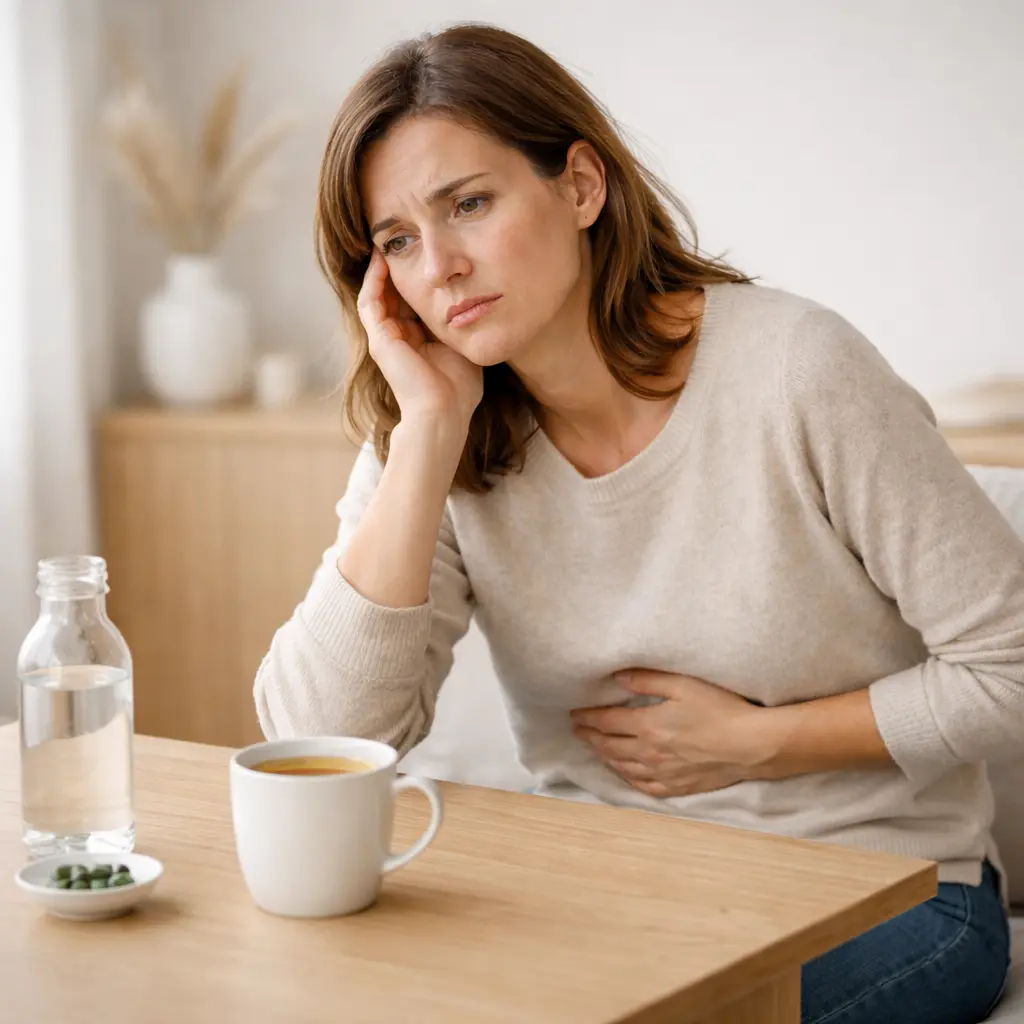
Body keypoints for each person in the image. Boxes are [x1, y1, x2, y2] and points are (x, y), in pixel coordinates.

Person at [255, 23, 1019, 1023]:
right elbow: (317, 741)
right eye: (396, 240)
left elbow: (1010, 667)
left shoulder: (797, 370)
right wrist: (429, 436)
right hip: (610, 889)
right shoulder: (437, 434)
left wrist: (760, 742)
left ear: (580, 186)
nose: (437, 265)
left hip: (886, 891)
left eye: (469, 205)